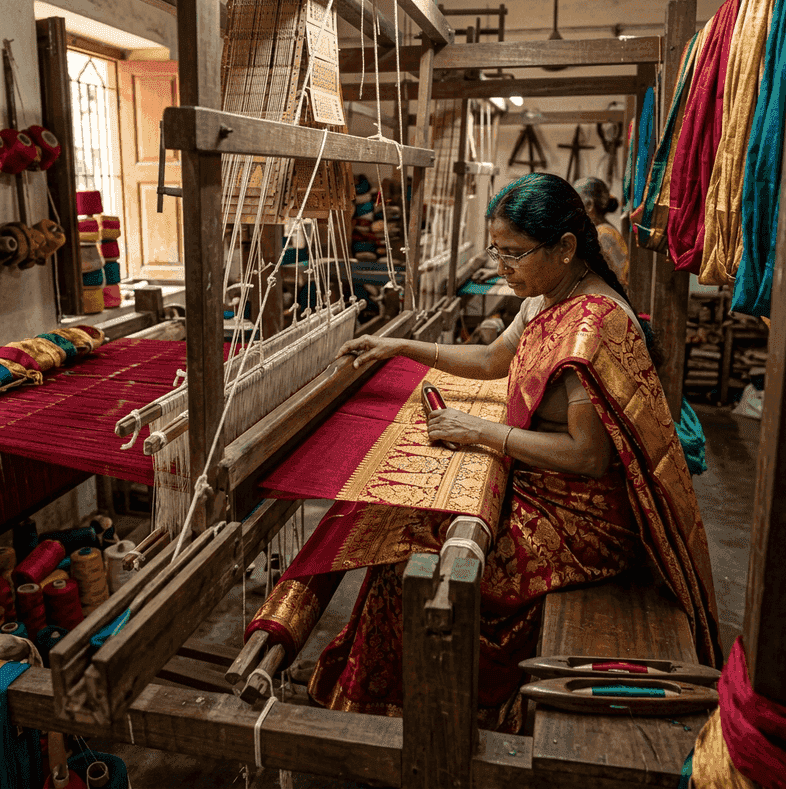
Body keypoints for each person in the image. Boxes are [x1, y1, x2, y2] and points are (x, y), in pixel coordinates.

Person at [249, 173, 720, 732]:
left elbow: (587, 458)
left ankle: (420, 719)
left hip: (585, 520)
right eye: (496, 251)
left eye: (514, 254)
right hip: (543, 485)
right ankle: (379, 704)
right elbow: (495, 360)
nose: (502, 266)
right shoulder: (549, 296)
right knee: (390, 517)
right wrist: (398, 347)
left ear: (566, 248)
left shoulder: (595, 326)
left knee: (407, 563)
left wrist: (479, 431)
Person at [573, 176, 629, 287]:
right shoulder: (604, 231)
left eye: (575, 203)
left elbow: (618, 281)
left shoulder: (603, 235)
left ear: (589, 205)